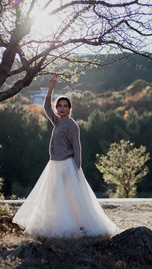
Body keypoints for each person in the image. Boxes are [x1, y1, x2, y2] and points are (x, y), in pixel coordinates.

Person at [13, 74, 119, 238]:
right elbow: (47, 108)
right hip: (54, 164)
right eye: (59, 105)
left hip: (67, 165)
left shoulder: (71, 124)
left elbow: (77, 148)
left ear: (70, 109)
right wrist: (50, 89)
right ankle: (56, 226)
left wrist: (77, 169)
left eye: (65, 106)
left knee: (69, 197)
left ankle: (75, 228)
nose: (61, 108)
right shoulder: (58, 122)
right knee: (55, 197)